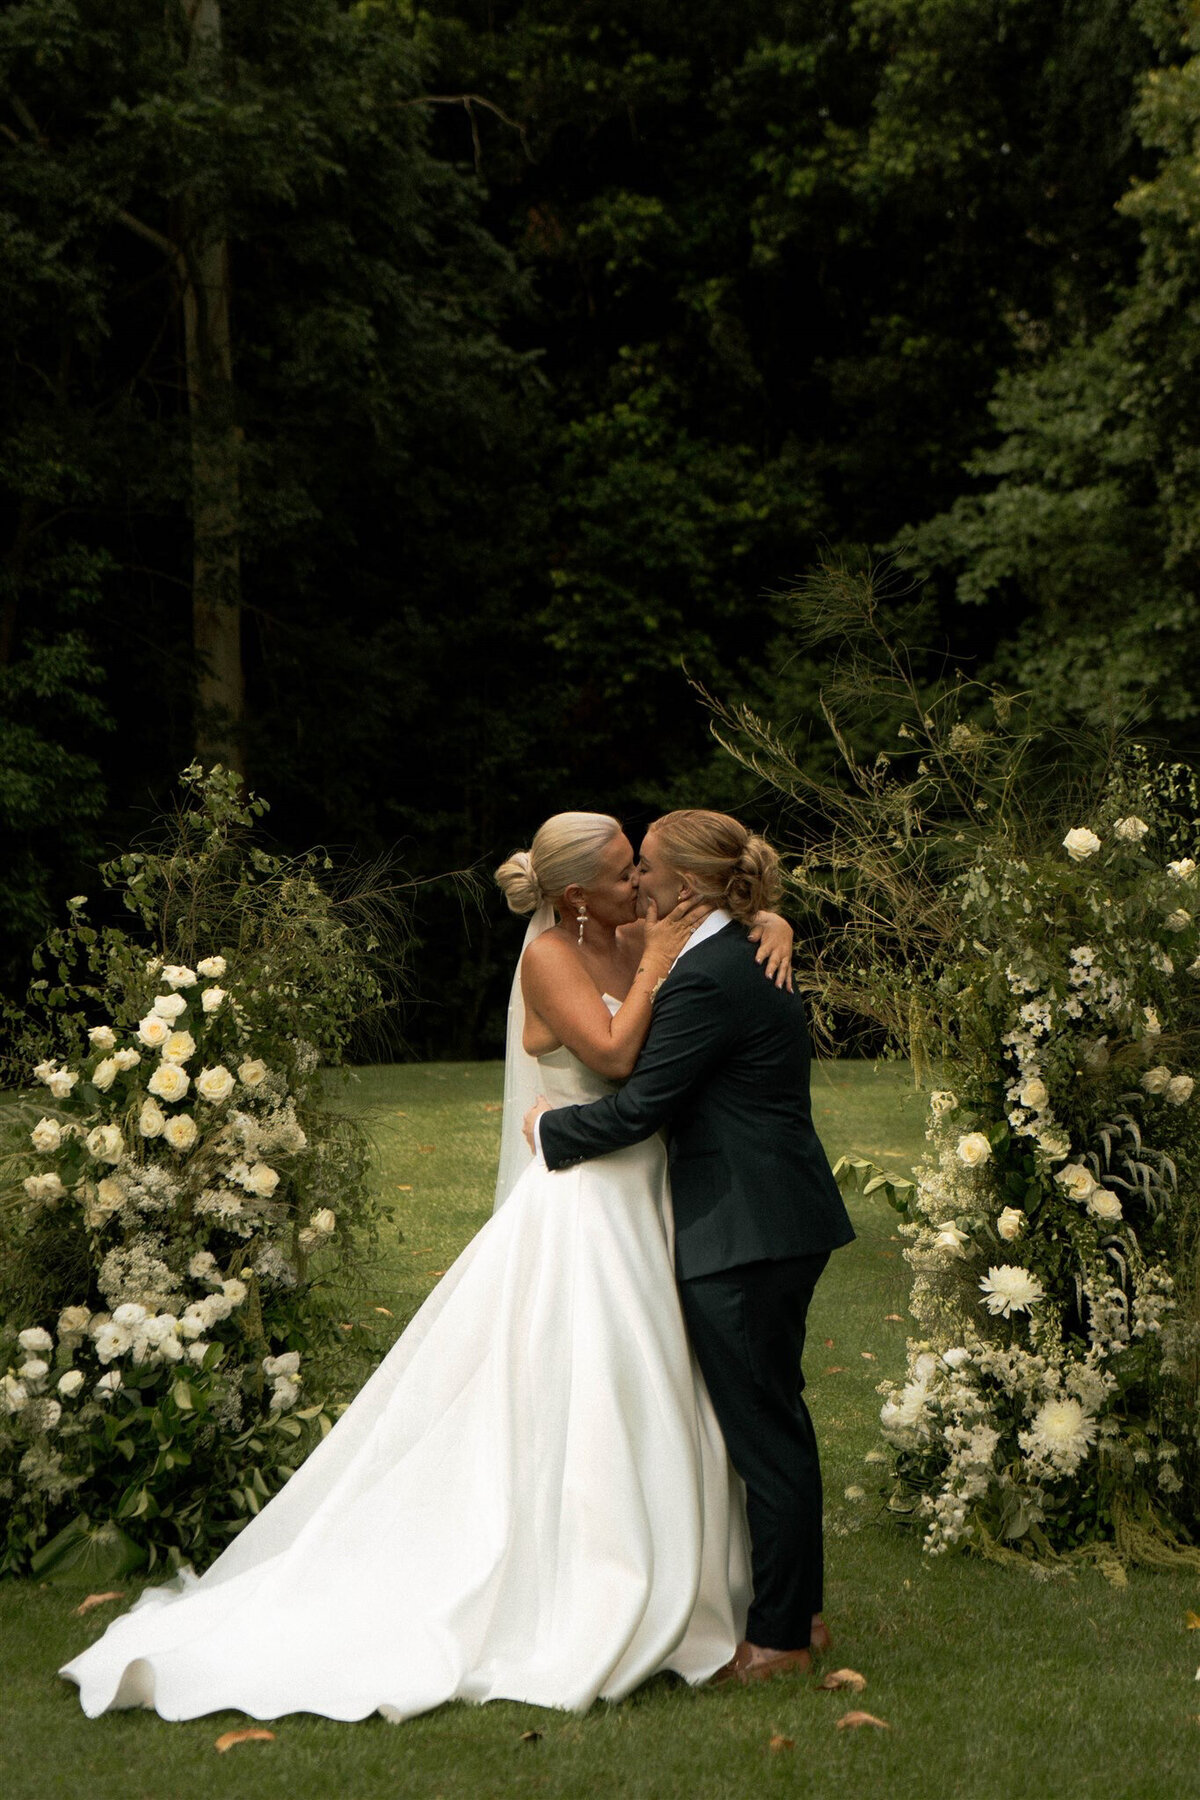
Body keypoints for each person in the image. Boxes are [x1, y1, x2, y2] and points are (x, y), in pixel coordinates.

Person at [59, 811, 794, 1723]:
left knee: (678, 1381)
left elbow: (728, 928)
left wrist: (771, 921)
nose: (637, 884)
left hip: (657, 1193)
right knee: (594, 1373)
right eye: (619, 875)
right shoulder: (555, 958)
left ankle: (716, 1580)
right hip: (585, 1193)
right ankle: (586, 1571)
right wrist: (648, 974)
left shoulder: (647, 925)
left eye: (638, 871)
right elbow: (612, 1056)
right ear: (576, 898)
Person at [528, 810, 855, 1686]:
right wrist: (771, 915)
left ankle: (781, 1639)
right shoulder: (740, 946)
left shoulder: (710, 973)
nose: (639, 882)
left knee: (764, 1433)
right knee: (773, 1417)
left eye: (650, 869)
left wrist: (547, 1130)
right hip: (776, 1215)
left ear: (689, 885)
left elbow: (641, 1109)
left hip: (744, 1228)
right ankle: (802, 1614)